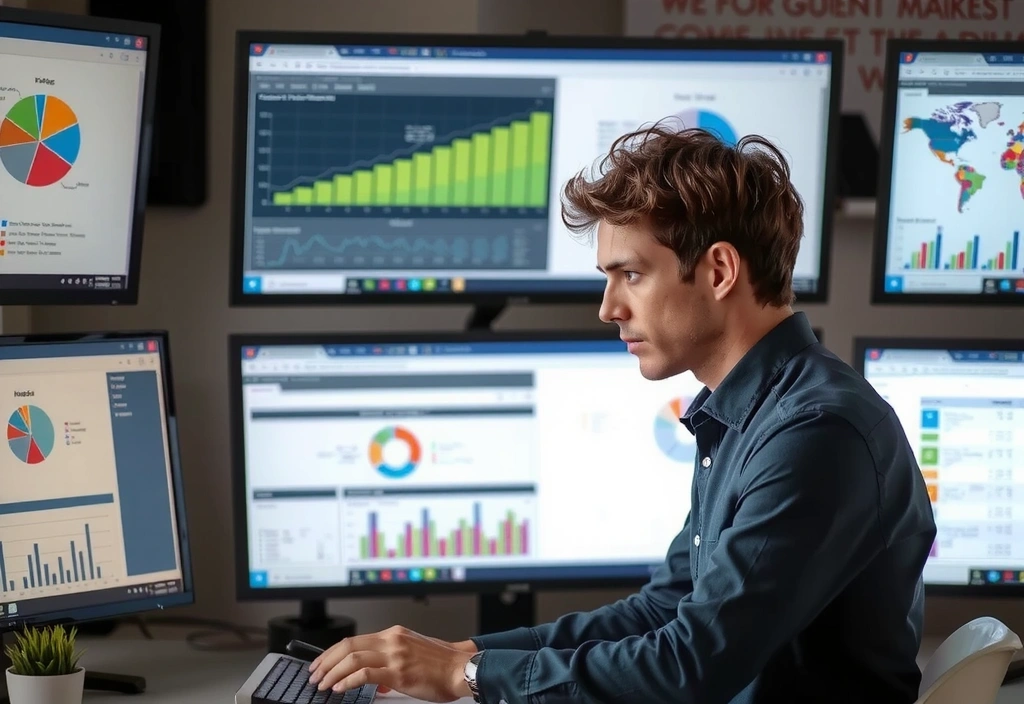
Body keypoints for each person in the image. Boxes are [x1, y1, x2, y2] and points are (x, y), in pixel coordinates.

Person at [306, 125, 938, 704]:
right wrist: (469, 656)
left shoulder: (816, 434)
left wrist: (462, 679)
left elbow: (691, 664)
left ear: (719, 270)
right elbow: (663, 611)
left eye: (630, 274)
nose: (609, 308)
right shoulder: (752, 414)